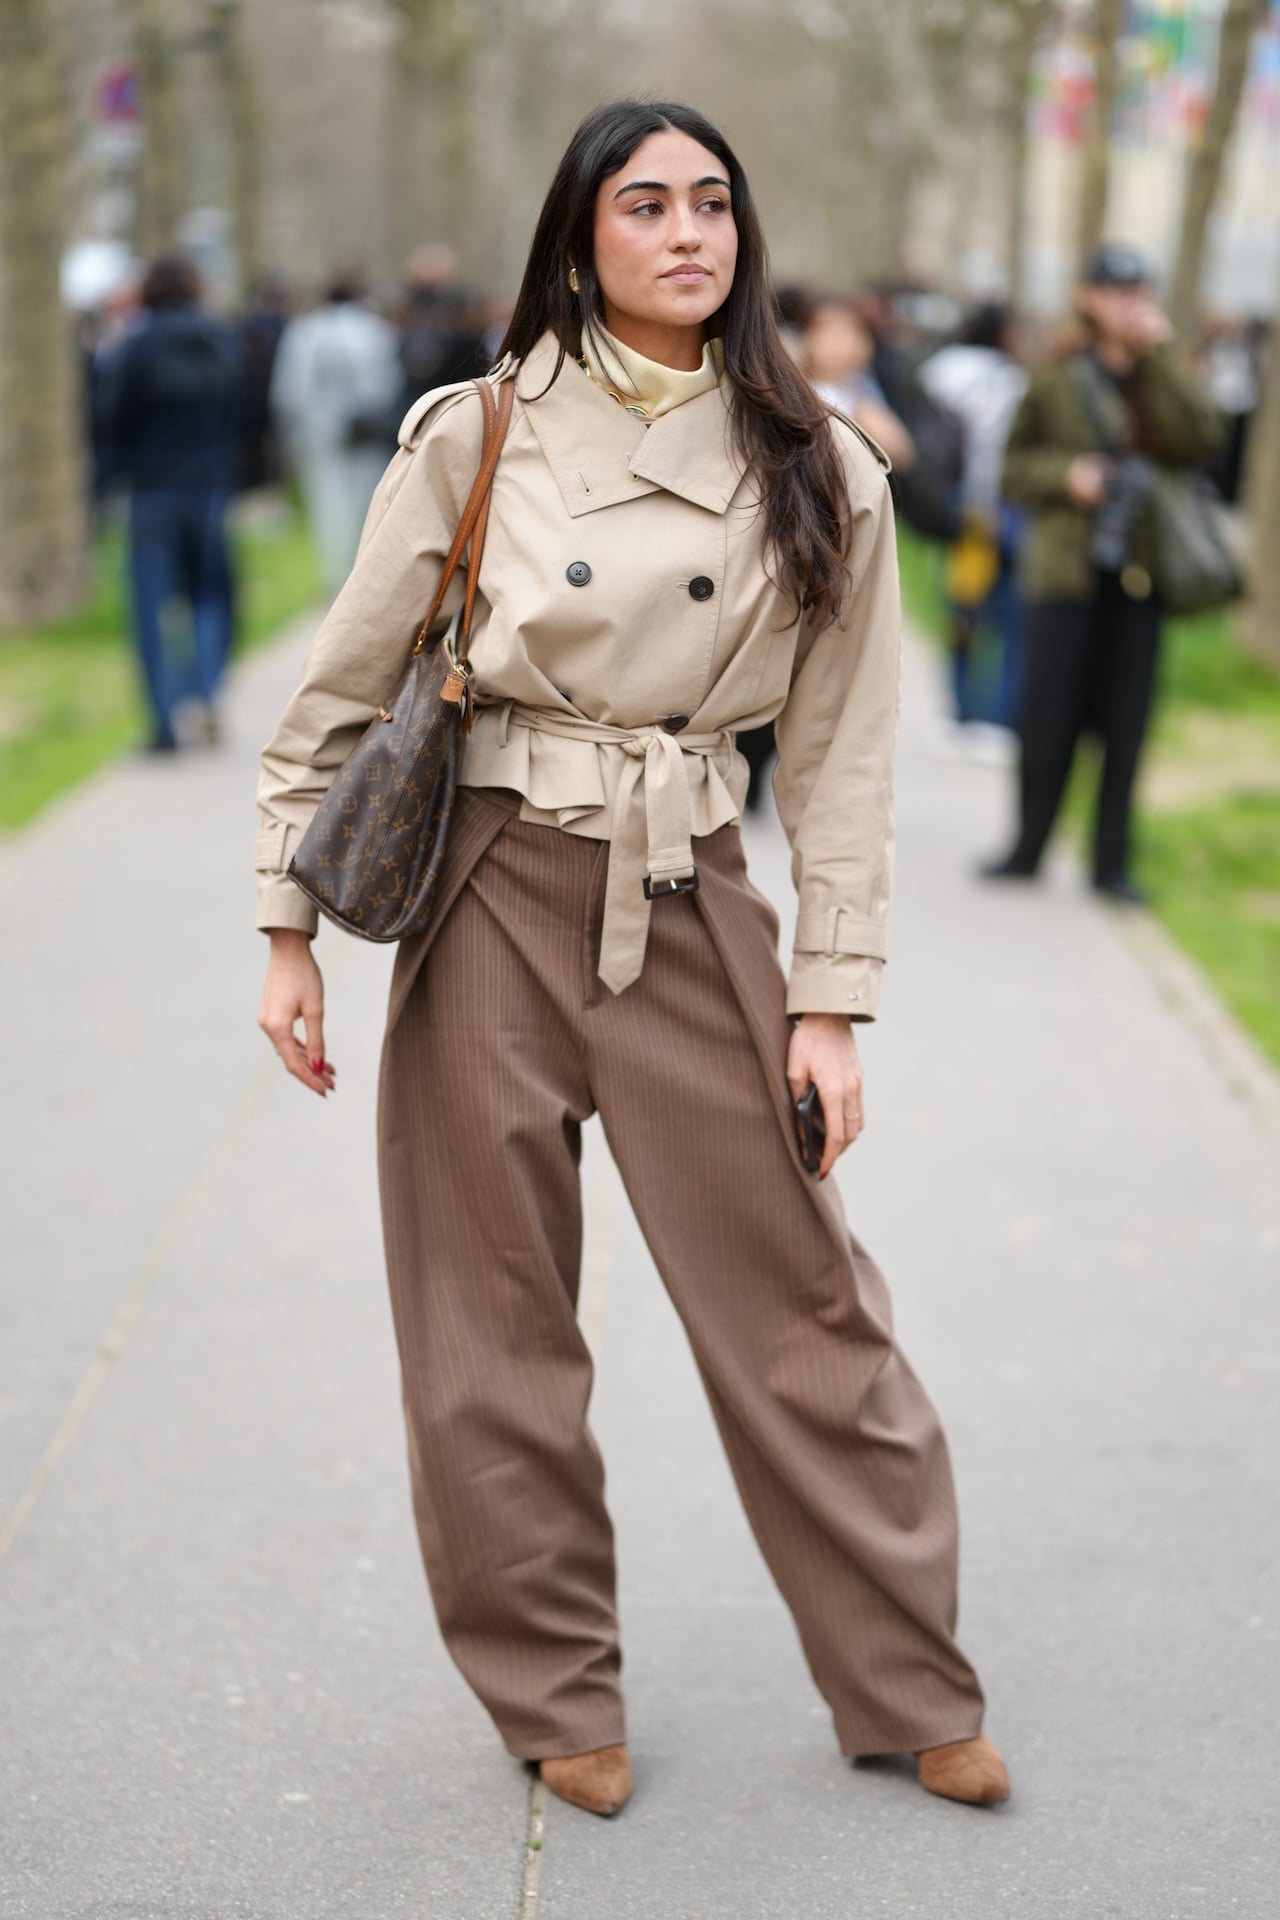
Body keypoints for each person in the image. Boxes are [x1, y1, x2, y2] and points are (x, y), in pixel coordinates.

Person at [255, 99, 1010, 1818]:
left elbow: (842, 759)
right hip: (485, 888)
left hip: (689, 892)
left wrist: (834, 1004)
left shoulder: (824, 458)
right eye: (647, 204)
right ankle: (552, 1687)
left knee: (807, 1308)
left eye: (716, 204)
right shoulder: (482, 428)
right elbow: (343, 688)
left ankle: (907, 1680)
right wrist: (285, 925)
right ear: (581, 234)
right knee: (488, 1321)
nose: (689, 233)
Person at [984, 245, 1222, 901]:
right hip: (1067, 575)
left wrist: (1165, 357)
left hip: (1142, 574)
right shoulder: (1057, 376)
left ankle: (1110, 865)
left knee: (1127, 724)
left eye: (1138, 291)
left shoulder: (1161, 375)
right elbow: (1012, 469)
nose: (1129, 303)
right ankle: (1027, 849)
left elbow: (1202, 437)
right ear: (1089, 298)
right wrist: (1070, 476)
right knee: (1048, 718)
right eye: (1116, 292)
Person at [108, 256, 242, 751]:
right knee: (210, 595)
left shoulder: (137, 346)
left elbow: (114, 417)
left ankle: (164, 721)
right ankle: (205, 690)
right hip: (208, 487)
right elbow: (239, 412)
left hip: (152, 489)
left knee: (152, 604)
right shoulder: (218, 342)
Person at [918, 303, 1029, 754]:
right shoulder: (1012, 379)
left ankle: (959, 709)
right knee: (1008, 613)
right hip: (1000, 506)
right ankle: (994, 717)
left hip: (956, 504)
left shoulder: (936, 371)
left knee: (962, 604)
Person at [270, 270, 402, 598]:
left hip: (320, 434)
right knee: (366, 504)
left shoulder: (305, 330)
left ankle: (335, 577)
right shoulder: (374, 330)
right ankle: (361, 576)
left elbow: (290, 390)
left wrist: (293, 430)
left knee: (328, 504)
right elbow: (388, 384)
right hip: (364, 431)